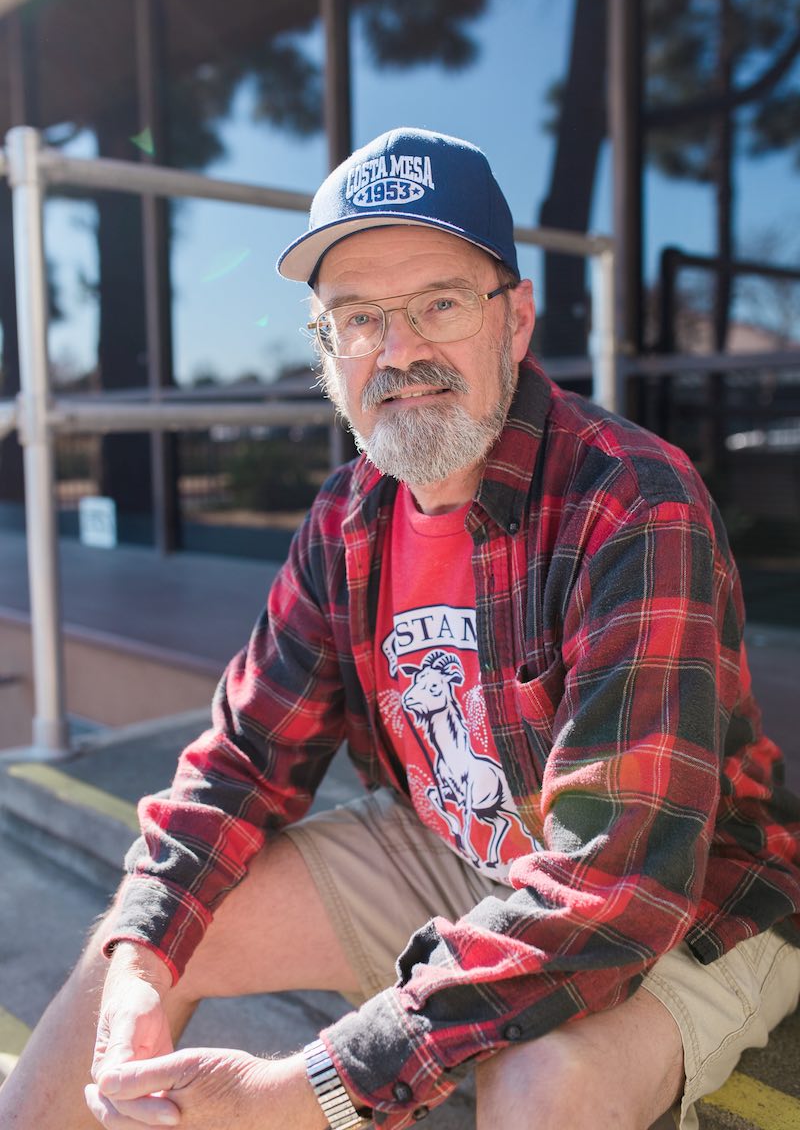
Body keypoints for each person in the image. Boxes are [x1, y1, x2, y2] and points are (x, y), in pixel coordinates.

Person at [2, 127, 799, 1130]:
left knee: (543, 1086)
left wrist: (313, 1090)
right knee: (153, 940)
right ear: (327, 350)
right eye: (359, 317)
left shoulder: (630, 502)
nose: (400, 348)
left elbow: (614, 881)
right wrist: (137, 959)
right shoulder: (348, 517)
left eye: (438, 303)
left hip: (689, 899)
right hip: (458, 850)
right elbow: (245, 758)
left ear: (513, 322)